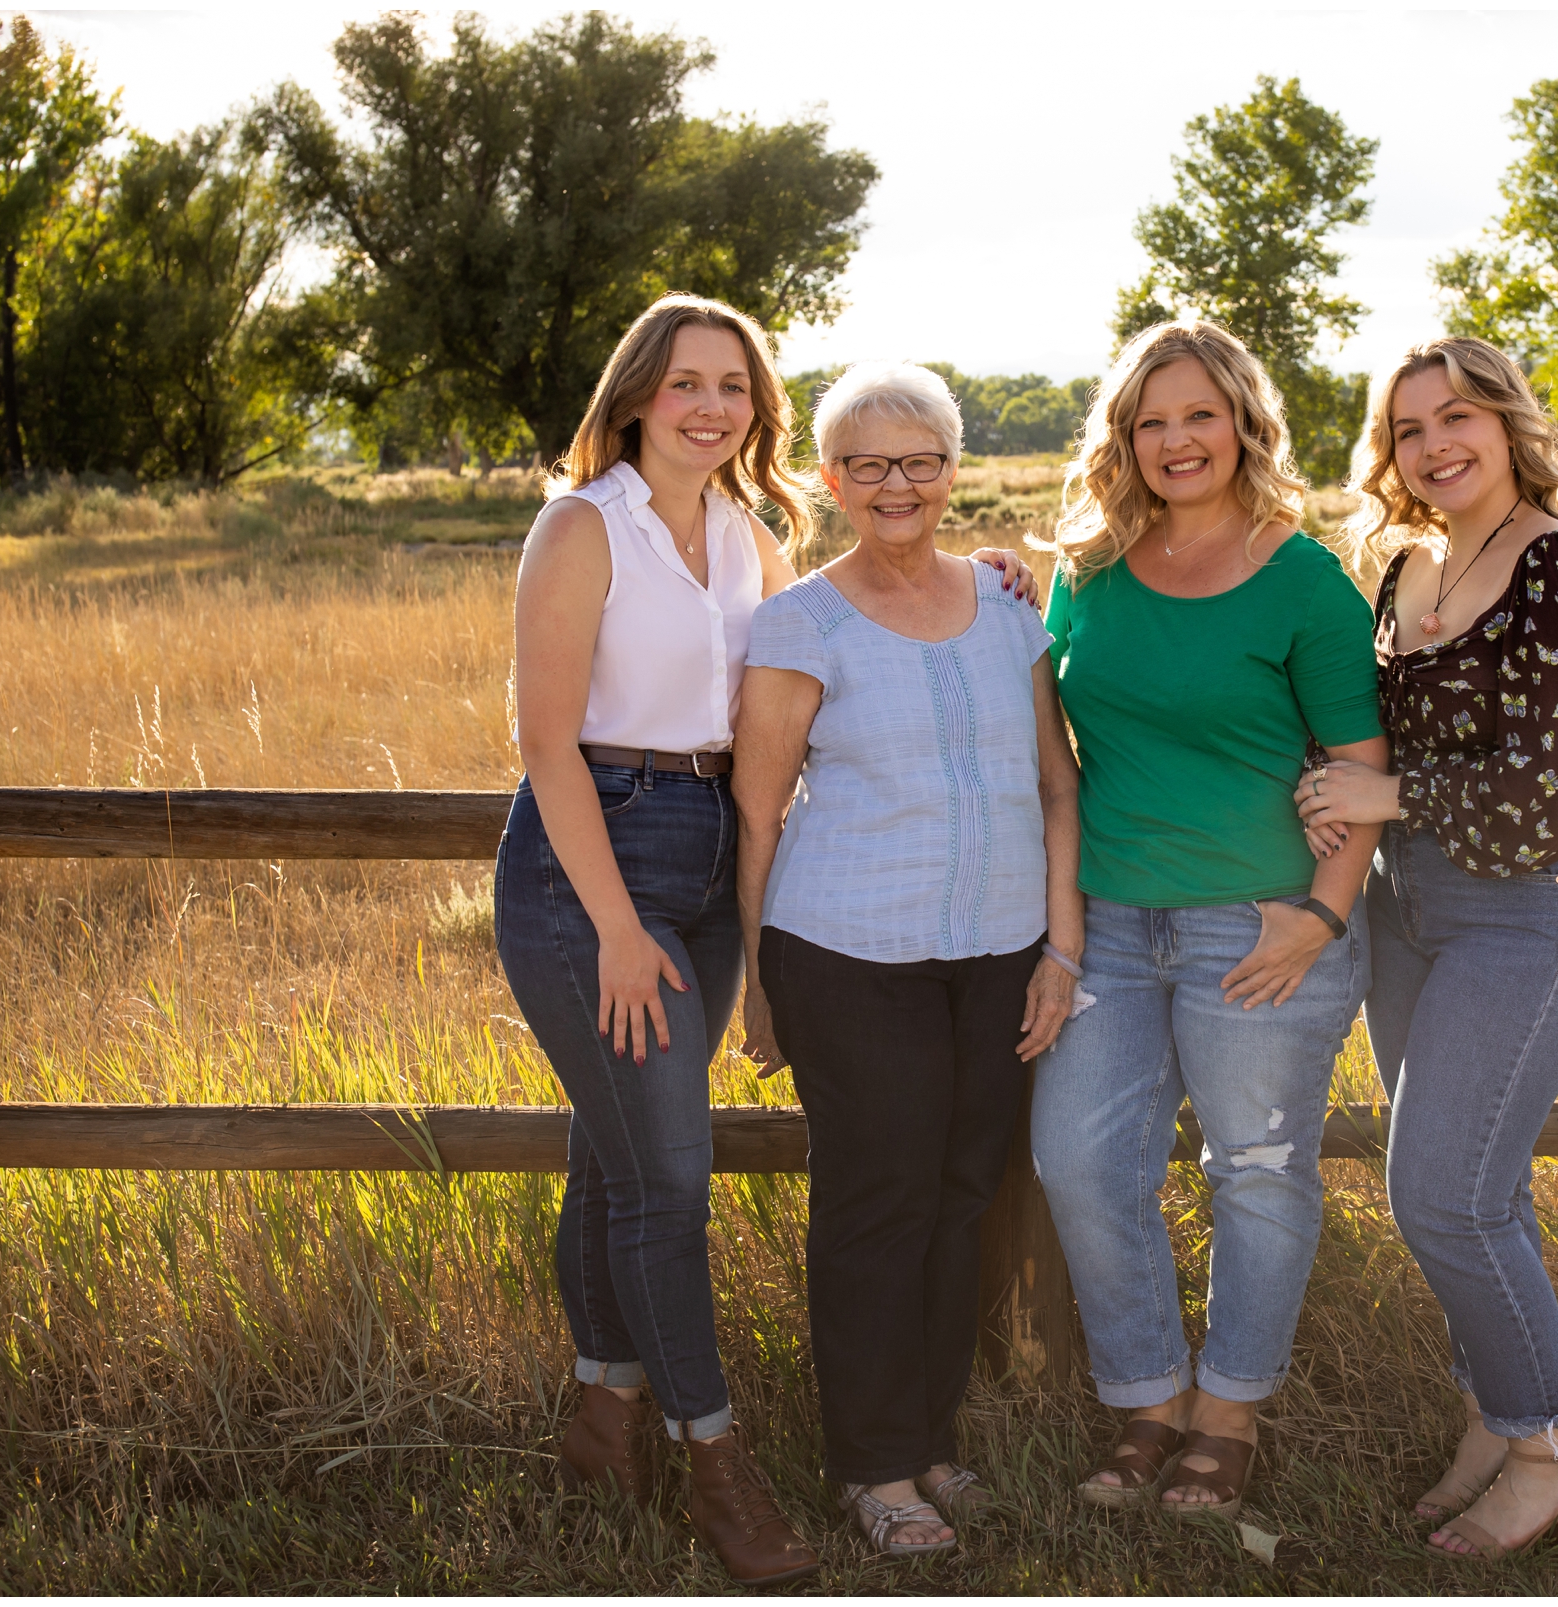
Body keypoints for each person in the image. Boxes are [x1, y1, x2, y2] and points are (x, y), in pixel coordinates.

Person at [492, 298, 1034, 1585]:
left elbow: (847, 640)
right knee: (669, 1180)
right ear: (636, 396)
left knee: (613, 1153)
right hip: (596, 860)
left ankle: (602, 1410)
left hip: (708, 844)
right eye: (685, 382)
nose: (711, 405)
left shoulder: (749, 537)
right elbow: (545, 744)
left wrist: (1015, 569)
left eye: (733, 385)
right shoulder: (584, 525)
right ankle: (717, 1458)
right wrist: (618, 927)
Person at [1028, 320, 1389, 1516]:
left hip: (1262, 924)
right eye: (1151, 421)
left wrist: (1320, 919)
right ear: (1123, 440)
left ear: (1244, 422)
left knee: (1260, 1168)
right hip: (1112, 927)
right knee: (1078, 1155)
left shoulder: (1304, 579)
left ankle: (1228, 1412)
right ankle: (1147, 1396)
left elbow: (1358, 764)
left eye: (1199, 415)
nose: (1177, 440)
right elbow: (1047, 723)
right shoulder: (1088, 572)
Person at [732, 361, 1084, 1557]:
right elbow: (759, 814)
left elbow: (1054, 784)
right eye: (869, 463)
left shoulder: (1008, 609)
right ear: (830, 479)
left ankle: (933, 1441)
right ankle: (874, 1468)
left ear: (951, 472)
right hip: (846, 950)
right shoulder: (801, 621)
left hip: (998, 954)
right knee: (878, 1200)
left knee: (959, 1195)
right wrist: (755, 984)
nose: (897, 483)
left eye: (920, 461)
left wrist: (1060, 949)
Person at [1295, 336, 1558, 1560]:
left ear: (1507, 422)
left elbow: (1554, 785)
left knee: (1440, 1192)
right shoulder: (1404, 567)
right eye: (1408, 428)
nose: (1434, 446)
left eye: (1458, 418)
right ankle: (1496, 1423)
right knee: (1487, 1187)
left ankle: (1549, 1448)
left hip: (1524, 907)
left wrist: (1390, 799)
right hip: (1407, 910)